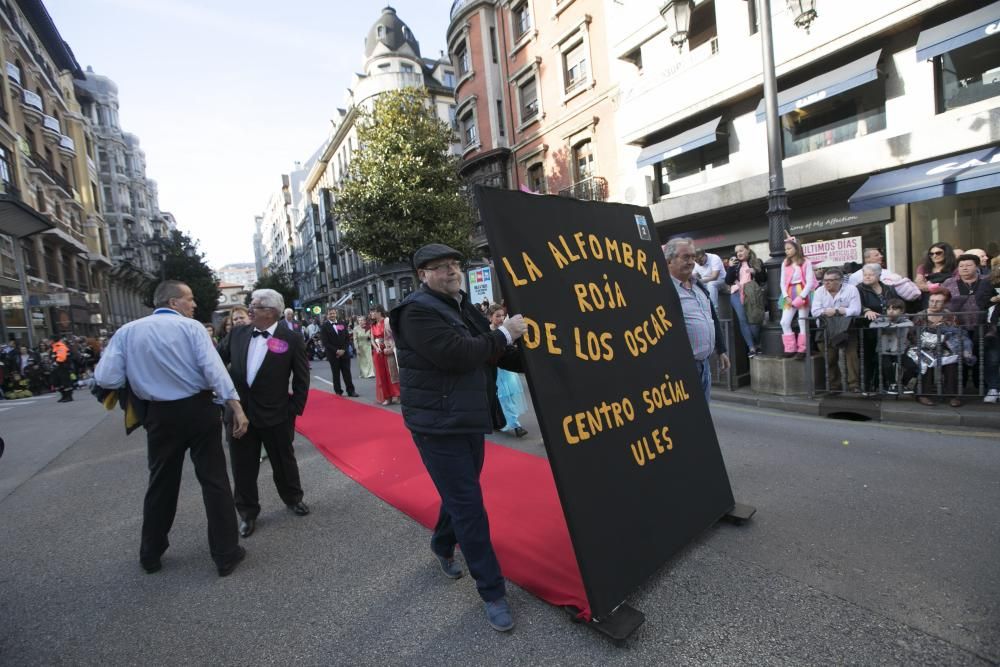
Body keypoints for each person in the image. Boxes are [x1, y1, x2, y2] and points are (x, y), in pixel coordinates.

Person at [390, 243, 527, 632]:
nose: (451, 271)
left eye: (454, 264)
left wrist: (534, 356)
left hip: (467, 418)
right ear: (423, 275)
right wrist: (504, 332)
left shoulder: (462, 304)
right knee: (468, 505)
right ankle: (493, 592)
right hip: (437, 426)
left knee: (460, 494)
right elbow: (460, 354)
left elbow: (491, 353)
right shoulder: (416, 311)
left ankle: (440, 543)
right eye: (439, 267)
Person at [94, 280, 249, 576]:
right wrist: (236, 406)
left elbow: (107, 377)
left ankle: (150, 553)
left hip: (159, 415)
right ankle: (226, 553)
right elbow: (213, 370)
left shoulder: (127, 332)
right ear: (173, 302)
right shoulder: (191, 329)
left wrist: (142, 378)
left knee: (161, 482)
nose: (194, 304)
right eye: (189, 299)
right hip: (198, 410)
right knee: (214, 480)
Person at [218, 288, 311, 538]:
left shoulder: (290, 339)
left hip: (277, 414)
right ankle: (247, 514)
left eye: (255, 306)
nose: (249, 309)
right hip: (240, 416)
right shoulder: (237, 334)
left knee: (284, 462)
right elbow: (214, 363)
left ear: (271, 312)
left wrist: (293, 410)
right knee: (242, 467)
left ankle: (293, 498)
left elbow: (302, 378)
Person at [665, 237, 730, 402]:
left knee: (703, 419)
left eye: (693, 257)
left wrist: (721, 349)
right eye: (685, 257)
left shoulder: (699, 285)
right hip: (681, 369)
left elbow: (711, 318)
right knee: (685, 419)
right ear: (669, 260)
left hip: (704, 365)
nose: (691, 262)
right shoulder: (662, 290)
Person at [911, 290, 973, 407]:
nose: (934, 304)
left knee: (952, 363)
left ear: (944, 303)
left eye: (938, 302)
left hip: (945, 346)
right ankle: (923, 394)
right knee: (927, 361)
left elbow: (956, 335)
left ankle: (953, 396)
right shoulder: (920, 315)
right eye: (932, 301)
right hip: (923, 347)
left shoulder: (949, 315)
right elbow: (912, 336)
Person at [811, 267, 862, 392]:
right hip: (826, 328)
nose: (826, 283)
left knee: (851, 357)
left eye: (830, 280)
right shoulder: (819, 291)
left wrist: (837, 310)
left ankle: (854, 385)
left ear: (840, 281)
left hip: (847, 328)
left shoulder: (851, 289)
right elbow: (815, 311)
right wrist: (839, 311)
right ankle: (834, 385)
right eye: (824, 280)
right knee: (830, 358)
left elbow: (856, 310)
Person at [858, 264, 900, 393]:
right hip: (868, 329)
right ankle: (867, 386)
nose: (867, 277)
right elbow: (855, 305)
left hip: (888, 329)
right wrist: (866, 310)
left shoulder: (889, 289)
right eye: (865, 275)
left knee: (886, 357)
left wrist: (895, 313)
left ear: (879, 275)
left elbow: (898, 304)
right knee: (869, 358)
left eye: (870, 275)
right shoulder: (859, 289)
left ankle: (885, 385)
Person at [487, 304, 528, 437]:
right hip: (497, 370)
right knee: (503, 397)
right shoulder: (488, 332)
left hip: (509, 370)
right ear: (490, 317)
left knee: (510, 396)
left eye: (502, 316)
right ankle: (516, 425)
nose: (500, 318)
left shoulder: (509, 329)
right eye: (497, 316)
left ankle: (506, 421)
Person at [724, 242, 766, 358]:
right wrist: (731, 268)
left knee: (754, 321)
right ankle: (751, 347)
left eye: (741, 250)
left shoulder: (757, 262)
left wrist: (756, 272)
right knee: (743, 320)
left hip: (752, 294)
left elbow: (763, 279)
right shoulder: (735, 264)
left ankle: (757, 343)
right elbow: (728, 281)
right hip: (736, 294)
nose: (739, 253)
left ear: (747, 250)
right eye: (737, 252)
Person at [778, 235, 817, 359]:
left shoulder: (806, 262)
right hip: (789, 292)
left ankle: (803, 349)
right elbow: (782, 282)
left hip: (803, 292)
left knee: (802, 321)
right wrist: (785, 296)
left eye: (789, 248)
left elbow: (810, 282)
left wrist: (801, 297)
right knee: (784, 322)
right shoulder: (785, 262)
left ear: (796, 248)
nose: (787, 251)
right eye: (786, 249)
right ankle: (790, 348)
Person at [869, 298, 917, 395]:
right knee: (887, 366)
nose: (891, 311)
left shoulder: (904, 319)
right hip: (883, 351)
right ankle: (891, 384)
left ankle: (901, 384)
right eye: (888, 309)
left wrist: (893, 326)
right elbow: (872, 325)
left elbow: (910, 323)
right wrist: (889, 325)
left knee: (912, 366)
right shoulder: (882, 318)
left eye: (894, 309)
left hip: (899, 351)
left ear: (902, 311)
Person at [320, 308, 358, 397]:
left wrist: (343, 350)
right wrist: (336, 351)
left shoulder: (342, 323)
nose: (332, 315)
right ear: (327, 315)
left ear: (336, 314)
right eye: (330, 314)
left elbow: (347, 338)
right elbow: (325, 342)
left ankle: (351, 391)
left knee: (347, 373)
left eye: (333, 313)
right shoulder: (324, 326)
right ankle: (338, 391)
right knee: (336, 373)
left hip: (344, 353)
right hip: (333, 354)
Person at [370, 304, 400, 405]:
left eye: (373, 311)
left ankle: (397, 394)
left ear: (379, 312)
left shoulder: (387, 321)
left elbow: (395, 335)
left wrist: (391, 348)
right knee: (381, 375)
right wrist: (376, 348)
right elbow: (372, 340)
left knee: (392, 373)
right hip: (378, 352)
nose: (371, 314)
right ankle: (387, 397)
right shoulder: (373, 325)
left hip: (388, 350)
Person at [915, 242, 958, 308]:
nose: (934, 256)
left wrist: (929, 286)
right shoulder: (923, 267)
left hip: (947, 302)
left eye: (938, 253)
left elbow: (953, 288)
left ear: (947, 254)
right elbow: (919, 284)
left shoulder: (955, 268)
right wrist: (938, 287)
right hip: (926, 301)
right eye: (931, 254)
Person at [51, 337, 74, 402]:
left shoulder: (60, 346)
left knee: (65, 382)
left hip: (63, 367)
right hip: (58, 367)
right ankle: (64, 396)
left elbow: (61, 357)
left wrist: (56, 363)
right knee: (58, 382)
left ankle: (69, 396)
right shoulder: (55, 347)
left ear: (52, 340)